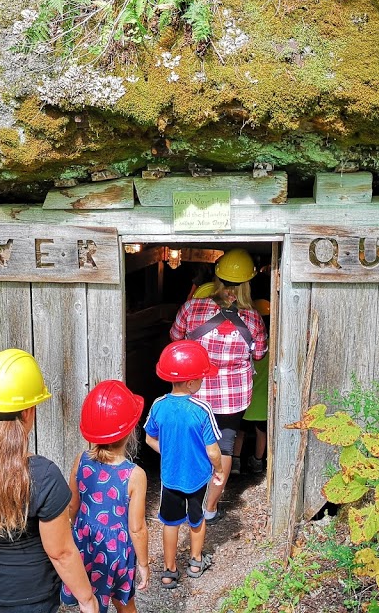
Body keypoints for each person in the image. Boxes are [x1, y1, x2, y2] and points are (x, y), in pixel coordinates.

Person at [0, 348, 100, 613]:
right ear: (28, 412)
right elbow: (61, 553)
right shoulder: (44, 476)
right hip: (29, 598)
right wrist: (86, 598)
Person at [169, 248, 267, 524]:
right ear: (248, 282)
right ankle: (209, 507)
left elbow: (175, 338)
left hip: (194, 392)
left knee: (194, 445)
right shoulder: (253, 318)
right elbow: (259, 353)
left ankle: (188, 500)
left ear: (218, 277)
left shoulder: (192, 308)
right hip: (231, 397)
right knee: (223, 447)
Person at [61, 380, 150, 613]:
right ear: (131, 430)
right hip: (117, 551)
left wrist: (77, 531)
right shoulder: (135, 475)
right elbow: (137, 528)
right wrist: (143, 563)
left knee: (89, 600)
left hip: (86, 541)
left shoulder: (81, 460)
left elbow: (72, 505)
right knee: (124, 603)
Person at [144, 340, 224, 590]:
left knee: (170, 522)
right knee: (197, 520)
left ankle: (169, 572)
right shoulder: (202, 409)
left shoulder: (158, 405)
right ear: (191, 383)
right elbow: (212, 450)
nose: (203, 381)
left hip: (170, 478)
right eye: (201, 378)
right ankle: (196, 562)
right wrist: (219, 470)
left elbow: (149, 438)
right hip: (198, 478)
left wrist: (169, 453)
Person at [242, 299, 272, 474]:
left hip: (245, 400)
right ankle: (258, 462)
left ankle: (236, 462)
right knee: (261, 432)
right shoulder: (271, 349)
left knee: (239, 431)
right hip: (263, 402)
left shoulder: (248, 346)